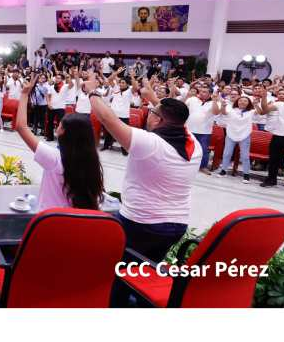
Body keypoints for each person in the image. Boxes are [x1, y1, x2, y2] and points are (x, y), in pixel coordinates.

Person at [83, 74, 200, 262]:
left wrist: (91, 91)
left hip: (142, 223)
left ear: (158, 120)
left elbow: (106, 118)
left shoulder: (150, 144)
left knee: (121, 269)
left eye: (152, 111)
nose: (149, 113)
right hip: (177, 224)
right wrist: (154, 99)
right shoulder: (193, 143)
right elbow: (176, 119)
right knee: (147, 270)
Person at [16, 74, 104, 211]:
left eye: (60, 125)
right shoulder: (91, 161)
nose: (57, 127)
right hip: (74, 221)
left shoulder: (54, 158)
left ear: (65, 132)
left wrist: (24, 94)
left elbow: (21, 127)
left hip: (50, 220)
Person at [216, 95, 255, 182]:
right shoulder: (231, 109)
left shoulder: (252, 111)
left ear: (249, 103)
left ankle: (246, 174)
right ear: (237, 102)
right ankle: (223, 170)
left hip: (245, 135)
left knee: (245, 156)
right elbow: (224, 112)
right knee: (227, 153)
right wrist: (223, 106)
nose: (242, 102)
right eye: (241, 100)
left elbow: (260, 112)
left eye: (245, 101)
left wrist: (256, 105)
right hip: (231, 134)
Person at [254, 88, 284, 187]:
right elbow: (264, 110)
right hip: (278, 135)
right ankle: (271, 180)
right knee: (273, 159)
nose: (282, 96)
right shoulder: (278, 104)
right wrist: (264, 97)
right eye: (281, 94)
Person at [185, 85, 220, 175]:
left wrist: (215, 101)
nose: (201, 93)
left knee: (204, 150)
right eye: (200, 91)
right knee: (186, 147)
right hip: (189, 129)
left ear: (210, 94)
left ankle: (202, 167)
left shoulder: (215, 102)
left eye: (204, 92)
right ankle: (184, 163)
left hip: (204, 131)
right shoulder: (192, 99)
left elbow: (216, 112)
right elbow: (183, 106)